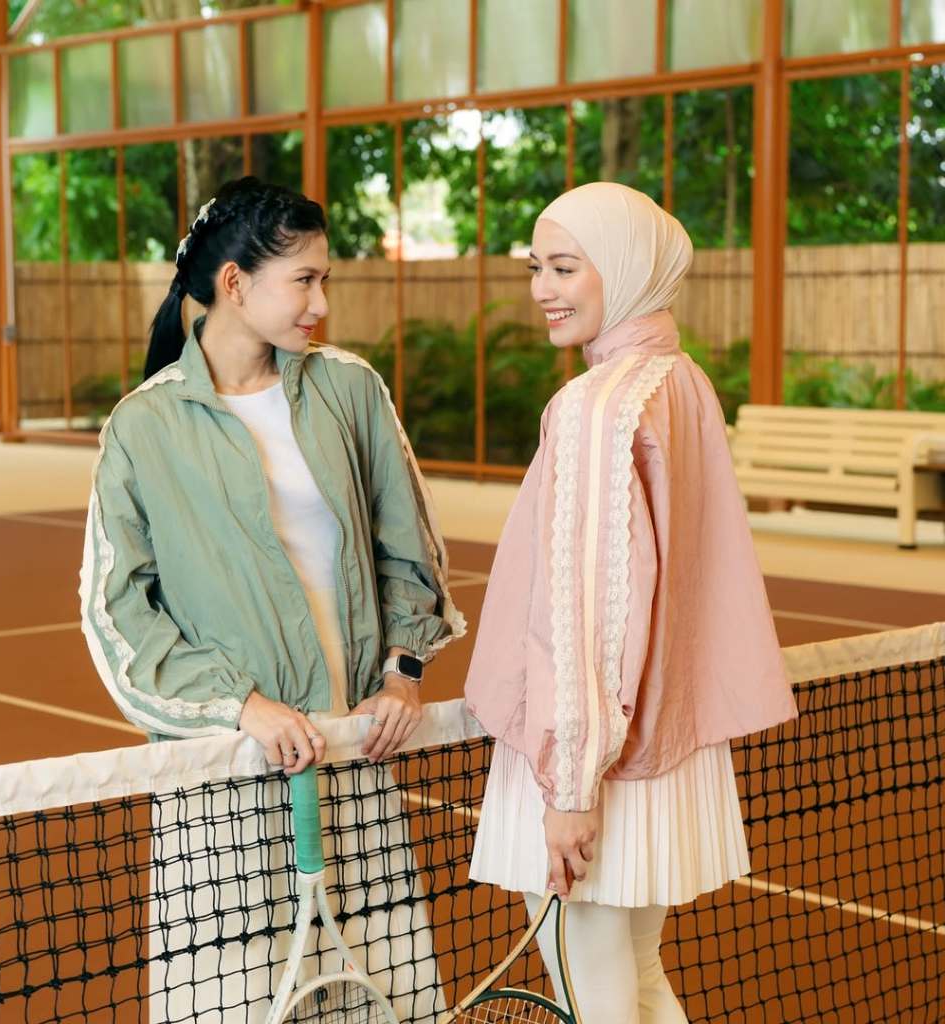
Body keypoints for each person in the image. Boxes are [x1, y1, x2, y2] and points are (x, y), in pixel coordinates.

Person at [79, 176, 465, 1022]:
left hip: (350, 749)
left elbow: (412, 550)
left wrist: (402, 674)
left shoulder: (350, 390)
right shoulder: (141, 427)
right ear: (234, 283)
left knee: (380, 997)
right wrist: (241, 707)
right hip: (224, 773)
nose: (321, 303)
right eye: (305, 280)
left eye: (325, 279)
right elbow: (118, 615)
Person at [465, 182, 797, 1023]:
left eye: (566, 267)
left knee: (600, 1001)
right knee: (640, 984)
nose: (542, 288)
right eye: (537, 267)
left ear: (622, 268)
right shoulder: (680, 380)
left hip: (590, 759)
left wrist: (571, 786)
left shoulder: (597, 407)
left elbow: (588, 611)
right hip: (661, 748)